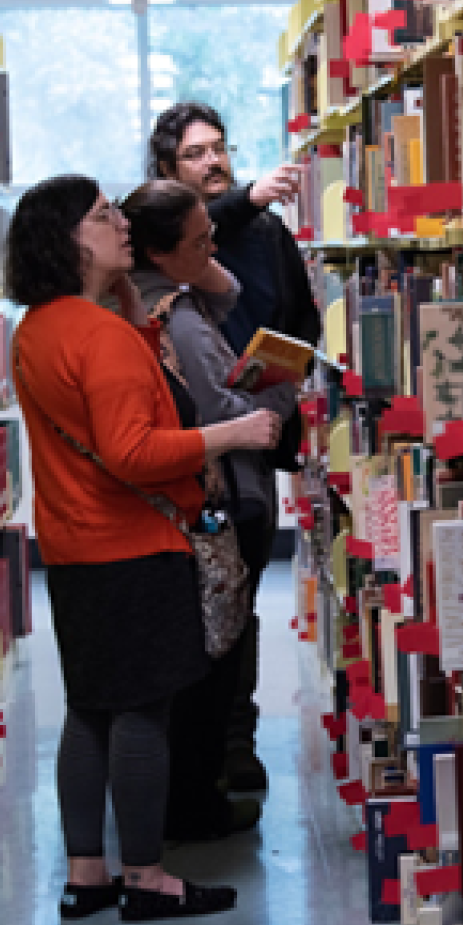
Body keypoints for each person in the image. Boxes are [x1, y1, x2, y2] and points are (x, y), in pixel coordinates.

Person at [3, 173, 283, 920]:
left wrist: (132, 317)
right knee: (142, 715)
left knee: (90, 709)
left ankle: (86, 874)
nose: (119, 223)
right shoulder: (98, 336)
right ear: (68, 241)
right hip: (133, 546)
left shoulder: (38, 326)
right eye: (101, 216)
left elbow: (100, 415)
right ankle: (149, 878)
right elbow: (133, 451)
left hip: (70, 545)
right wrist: (236, 432)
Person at [148, 101, 320, 793]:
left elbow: (299, 320)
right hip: (177, 451)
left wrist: (273, 388)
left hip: (252, 438)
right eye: (195, 154)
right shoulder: (154, 236)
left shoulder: (268, 235)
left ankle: (233, 742)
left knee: (239, 596)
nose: (213, 162)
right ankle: (186, 755)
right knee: (186, 605)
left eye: (220, 149)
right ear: (166, 168)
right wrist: (245, 200)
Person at [120, 178, 299, 830]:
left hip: (206, 489)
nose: (215, 245)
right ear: (161, 255)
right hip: (225, 489)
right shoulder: (178, 317)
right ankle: (197, 800)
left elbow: (229, 295)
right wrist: (282, 395)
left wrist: (198, 264)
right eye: (200, 240)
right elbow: (220, 409)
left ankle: (194, 790)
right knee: (216, 653)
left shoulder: (169, 295)